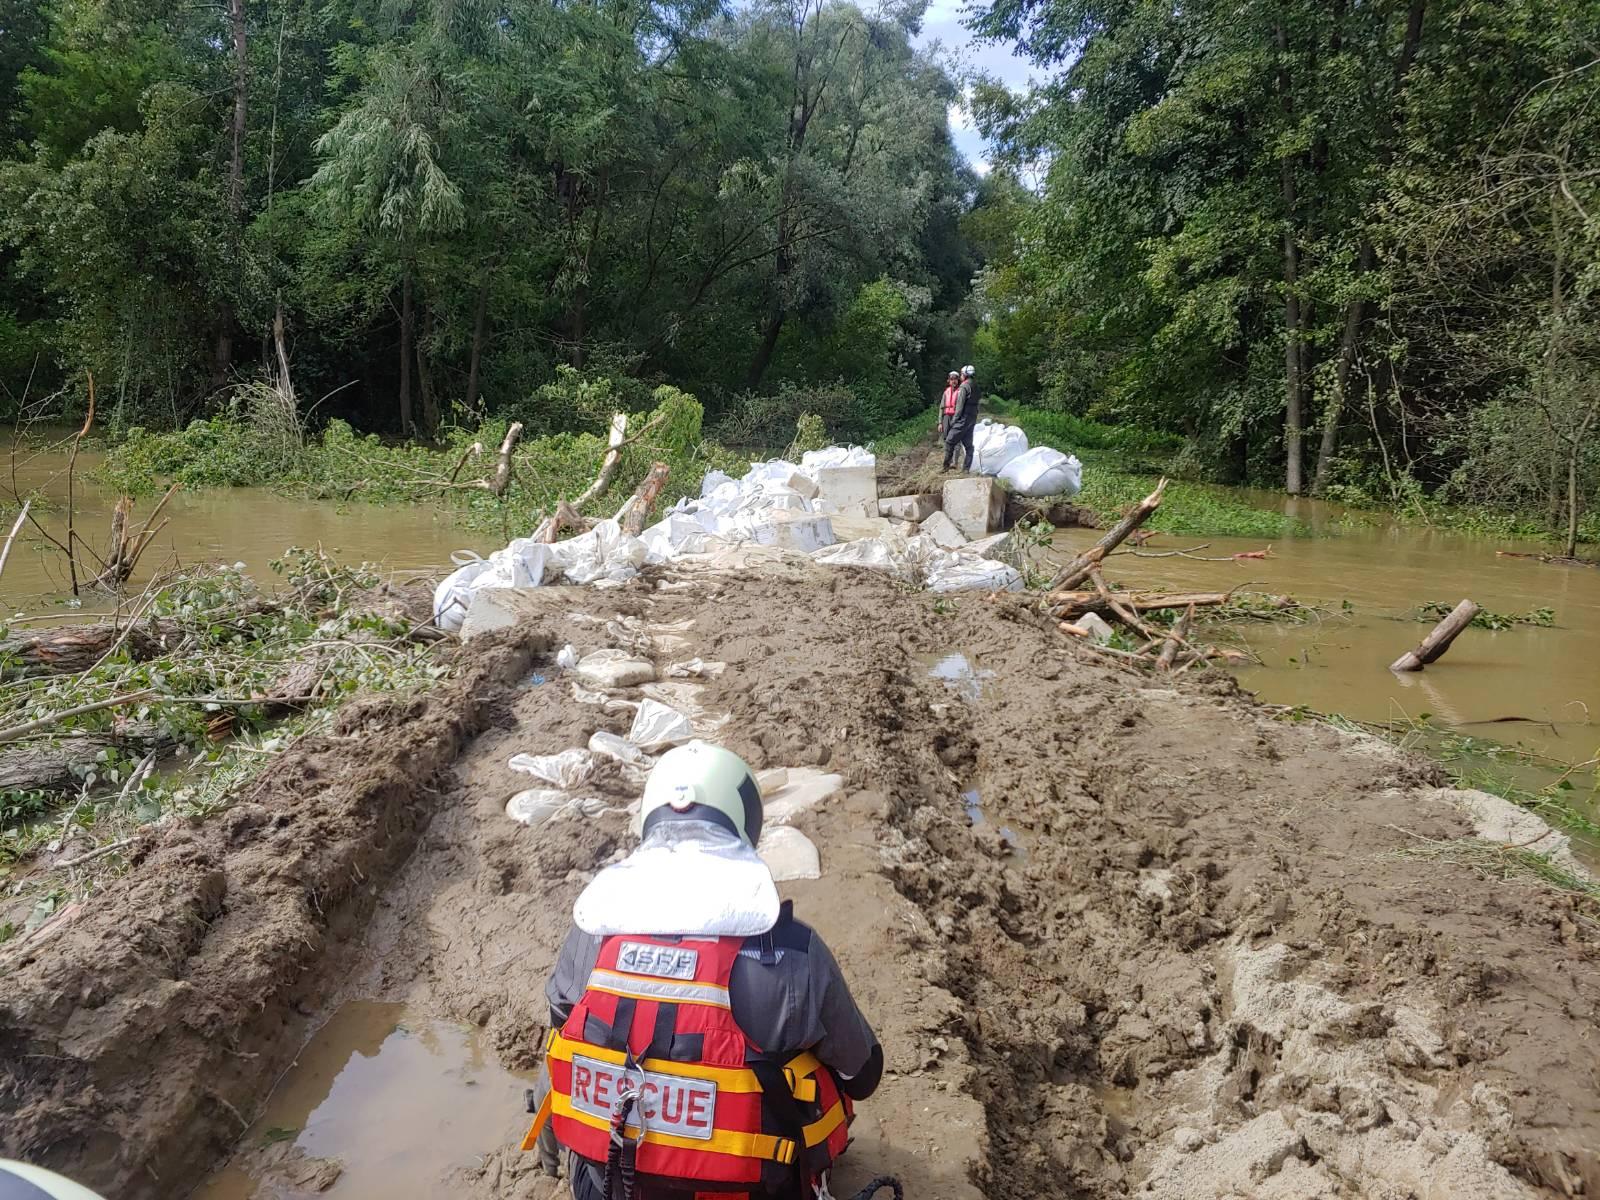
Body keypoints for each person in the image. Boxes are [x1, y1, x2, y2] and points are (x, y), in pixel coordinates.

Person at [532, 742, 883, 1200]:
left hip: (606, 1187)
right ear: (746, 823)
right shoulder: (793, 950)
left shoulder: (591, 935)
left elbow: (561, 1039)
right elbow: (863, 1074)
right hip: (749, 1189)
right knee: (813, 1062)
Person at [942, 364, 980, 471]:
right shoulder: (976, 386)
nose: (960, 377)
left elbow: (959, 406)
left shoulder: (964, 387)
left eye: (962, 374)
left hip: (963, 418)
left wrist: (954, 421)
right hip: (972, 418)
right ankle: (966, 469)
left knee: (949, 441)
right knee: (968, 445)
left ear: (965, 375)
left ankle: (945, 467)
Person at [936, 370, 960, 440]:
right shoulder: (946, 392)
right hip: (946, 417)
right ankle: (948, 450)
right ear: (948, 381)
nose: (953, 381)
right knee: (946, 437)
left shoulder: (960, 392)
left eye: (955, 379)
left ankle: (956, 450)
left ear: (958, 380)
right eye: (951, 379)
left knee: (956, 437)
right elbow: (941, 408)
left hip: (956, 417)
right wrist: (940, 423)